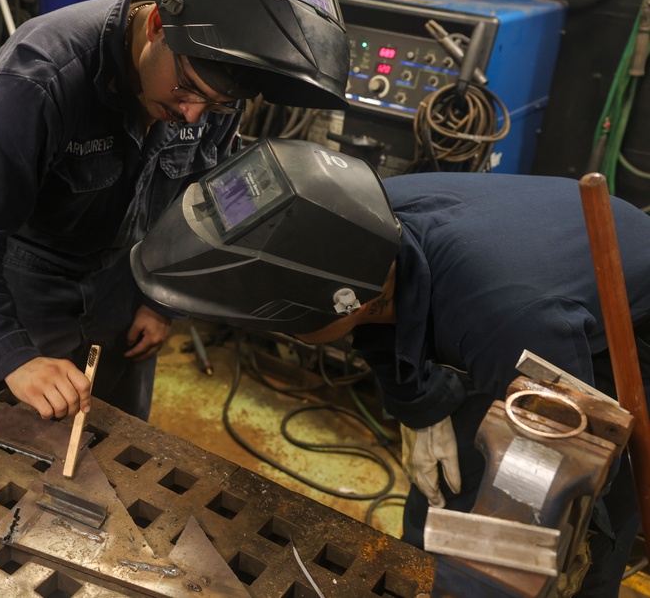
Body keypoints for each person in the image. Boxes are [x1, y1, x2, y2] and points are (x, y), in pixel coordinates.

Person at [130, 137, 650, 595]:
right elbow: (385, 319)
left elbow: (558, 474)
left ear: (350, 302)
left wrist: (495, 572)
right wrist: (419, 407)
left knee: (570, 530)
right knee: (444, 499)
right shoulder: (361, 229)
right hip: (536, 291)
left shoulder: (506, 320)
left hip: (622, 330)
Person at [0, 0, 349, 422]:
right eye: (189, 88)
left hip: (127, 282)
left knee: (119, 435)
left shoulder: (214, 91)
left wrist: (161, 301)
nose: (192, 114)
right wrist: (13, 356)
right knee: (32, 439)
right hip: (32, 283)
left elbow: (205, 204)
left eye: (215, 105)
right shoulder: (40, 77)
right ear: (155, 26)